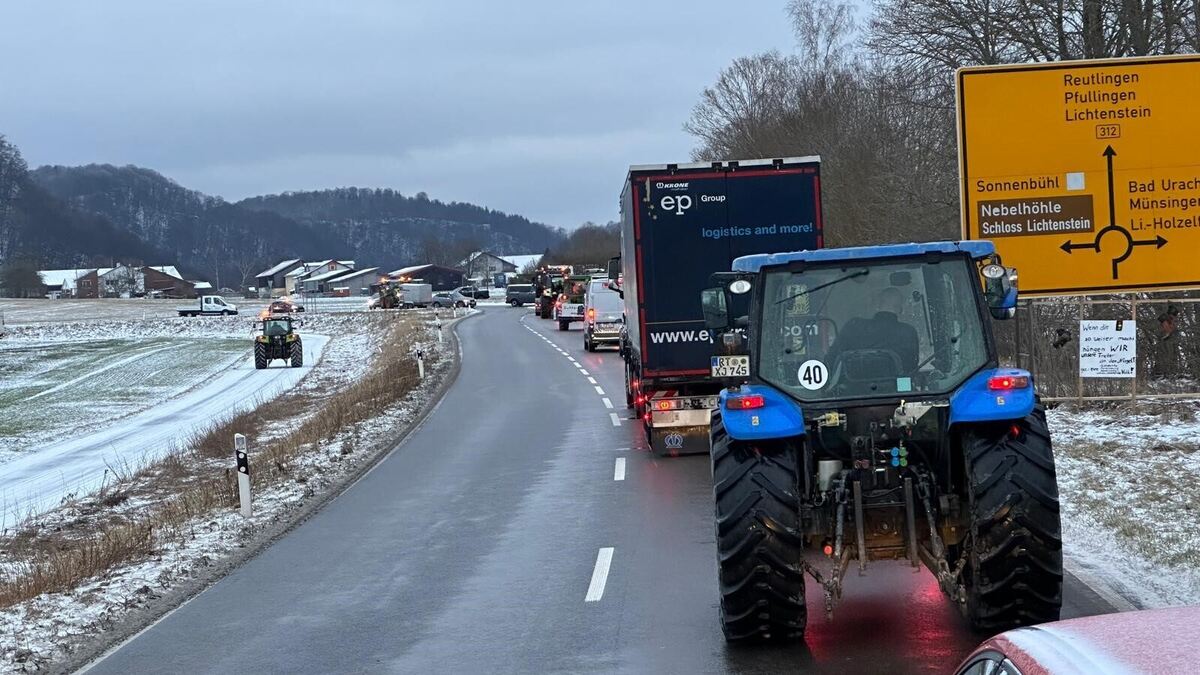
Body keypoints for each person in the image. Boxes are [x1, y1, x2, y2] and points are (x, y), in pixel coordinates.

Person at [824, 286, 919, 376]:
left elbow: (831, 359)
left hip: (850, 387)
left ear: (878, 305)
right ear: (900, 309)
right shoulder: (908, 332)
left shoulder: (853, 327)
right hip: (899, 386)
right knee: (905, 382)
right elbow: (912, 368)